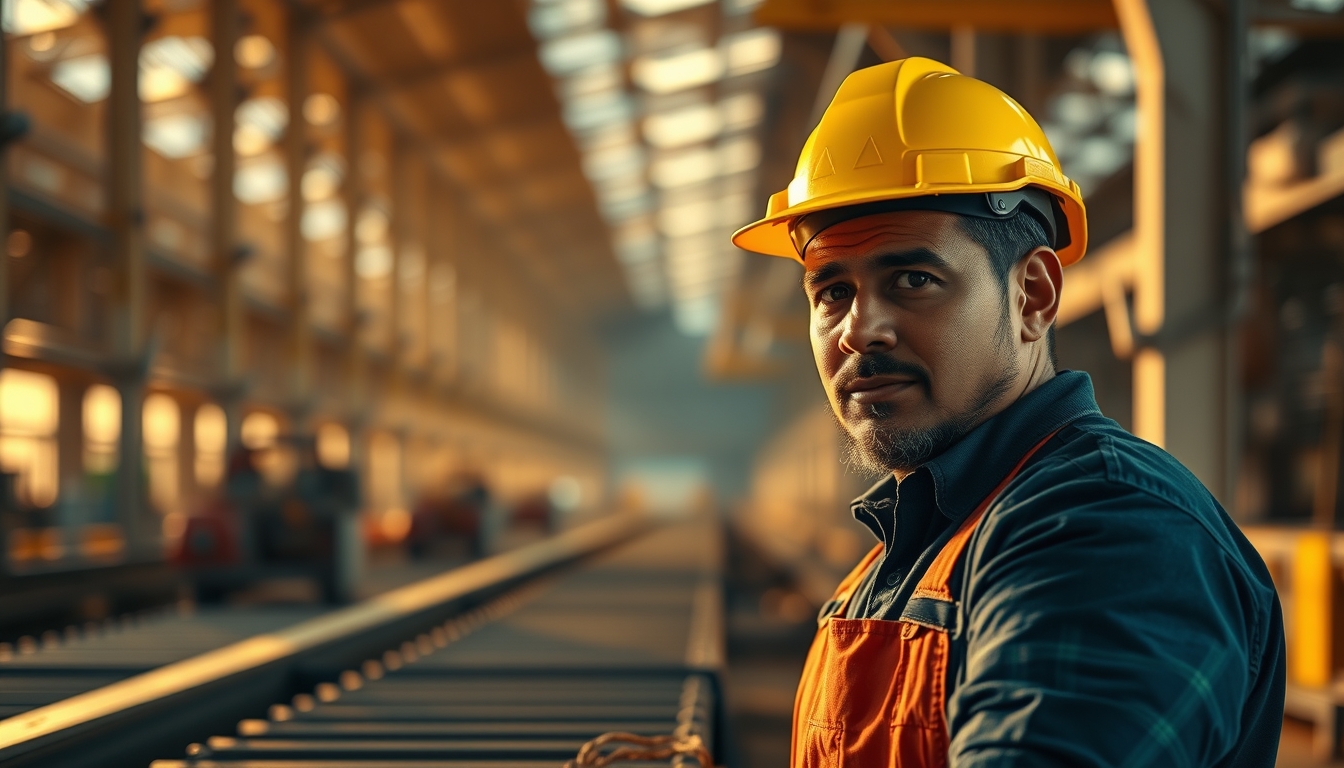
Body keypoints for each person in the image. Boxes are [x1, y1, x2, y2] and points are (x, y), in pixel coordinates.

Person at [731, 57, 1284, 767]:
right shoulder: (900, 554)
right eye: (831, 291)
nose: (858, 330)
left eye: (913, 278)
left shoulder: (1109, 533)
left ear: (1032, 296)